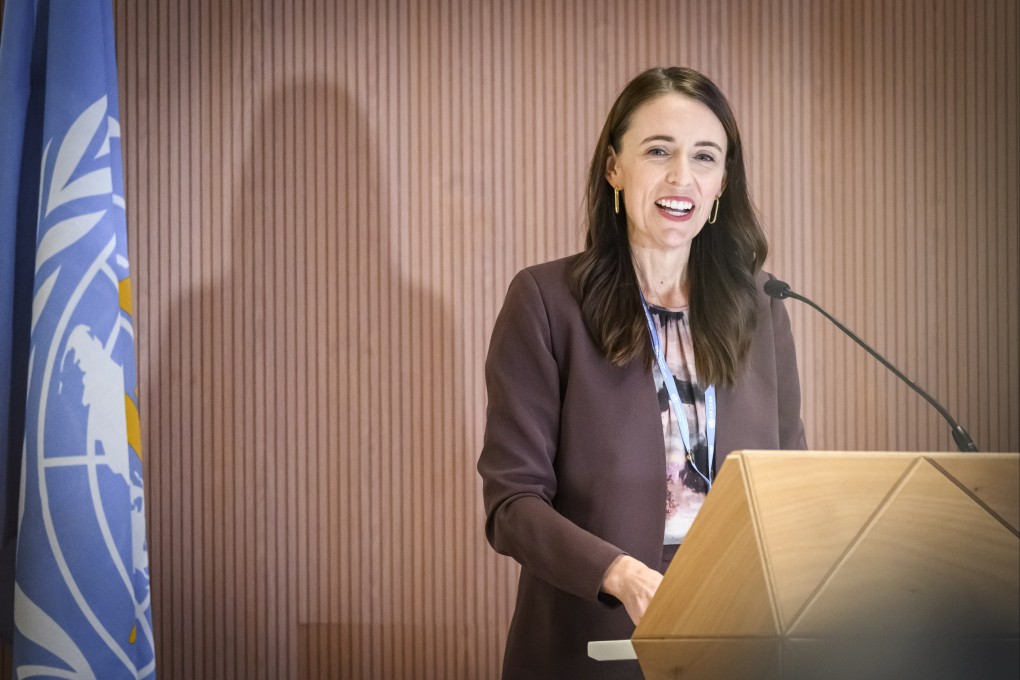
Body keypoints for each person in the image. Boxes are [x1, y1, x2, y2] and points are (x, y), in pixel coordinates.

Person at [477, 66, 807, 679]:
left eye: (705, 157)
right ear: (614, 168)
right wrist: (619, 574)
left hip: (738, 643)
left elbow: (790, 483)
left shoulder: (761, 307)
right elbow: (512, 503)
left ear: (722, 184)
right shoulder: (547, 302)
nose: (682, 176)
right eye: (659, 150)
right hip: (597, 642)